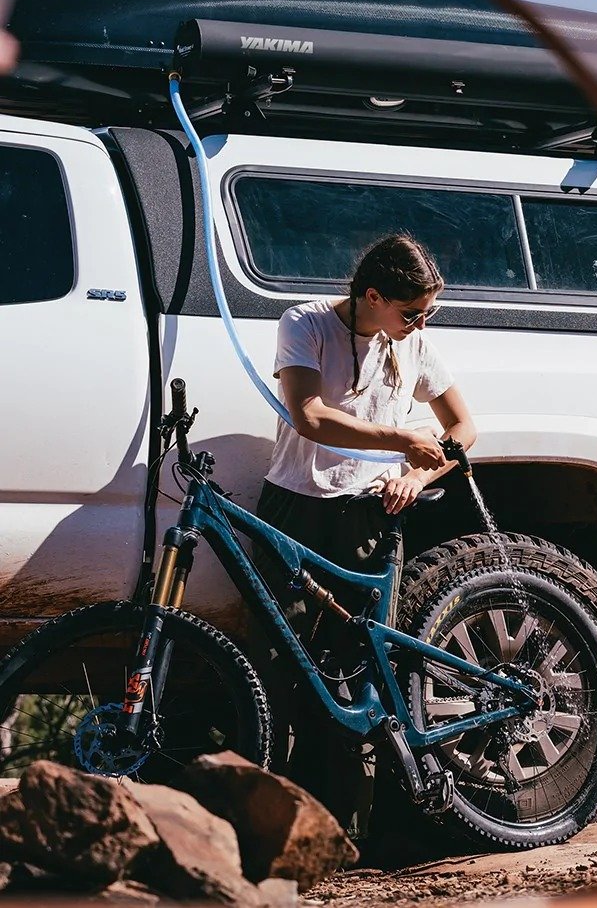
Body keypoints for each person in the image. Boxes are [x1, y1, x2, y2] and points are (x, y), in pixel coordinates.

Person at [253, 232, 477, 836]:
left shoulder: (414, 343)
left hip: (370, 515)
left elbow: (463, 426)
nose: (421, 323)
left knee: (361, 662)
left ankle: (349, 828)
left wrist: (417, 474)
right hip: (297, 507)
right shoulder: (306, 324)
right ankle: (279, 821)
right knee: (282, 659)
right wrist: (401, 438)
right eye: (412, 311)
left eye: (429, 312)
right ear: (372, 296)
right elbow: (309, 415)